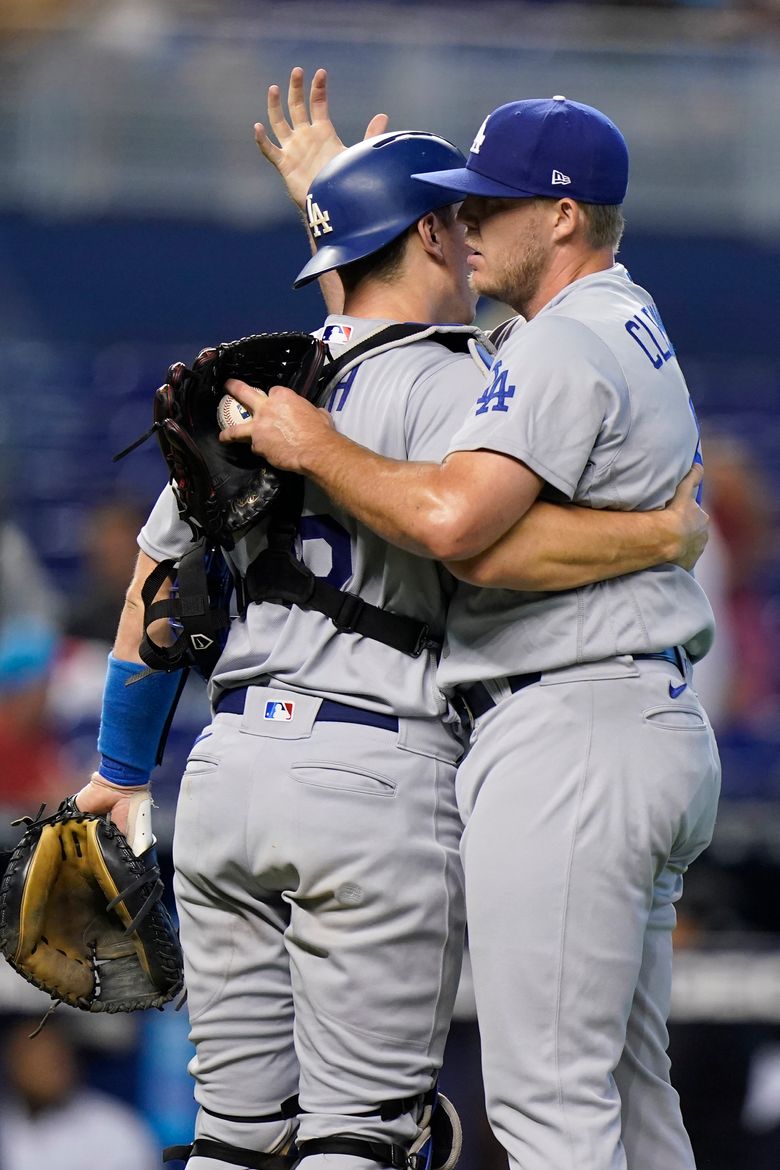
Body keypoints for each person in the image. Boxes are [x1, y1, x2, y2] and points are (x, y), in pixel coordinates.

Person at [75, 74, 708, 1170]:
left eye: (483, 214)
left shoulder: (248, 398)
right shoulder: (475, 379)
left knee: (231, 1140)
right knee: (364, 1139)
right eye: (450, 222)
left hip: (223, 779)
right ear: (422, 236)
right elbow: (466, 522)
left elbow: (148, 589)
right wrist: (661, 538)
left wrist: (122, 770)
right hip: (376, 775)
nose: (467, 239)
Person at [0, 1013, 159, 1170]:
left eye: (54, 1057)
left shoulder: (115, 1130)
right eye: (35, 1056)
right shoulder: (8, 1123)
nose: (48, 1068)